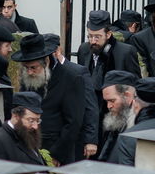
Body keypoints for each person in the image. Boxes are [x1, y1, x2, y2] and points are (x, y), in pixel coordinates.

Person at [14, 32, 95, 164]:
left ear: (46, 61)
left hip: (56, 150)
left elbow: (73, 122)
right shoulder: (27, 77)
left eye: (33, 67)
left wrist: (57, 154)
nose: (29, 72)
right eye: (26, 67)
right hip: (29, 148)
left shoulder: (71, 78)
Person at [75, 9, 141, 110]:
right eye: (90, 36)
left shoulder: (125, 52)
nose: (93, 41)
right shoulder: (84, 49)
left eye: (97, 37)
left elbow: (135, 85)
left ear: (108, 34)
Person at [0, 90, 46, 165]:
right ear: (16, 116)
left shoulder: (26, 134)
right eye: (31, 120)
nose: (35, 126)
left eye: (37, 120)